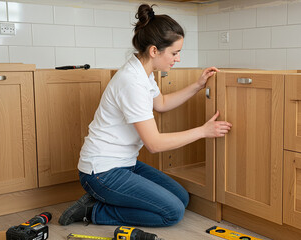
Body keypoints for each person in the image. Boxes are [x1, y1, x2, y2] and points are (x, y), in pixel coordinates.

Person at [58, 4, 232, 227]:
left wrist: (198, 85)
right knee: (172, 212)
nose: (177, 59)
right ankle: (93, 210)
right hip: (101, 172)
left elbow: (161, 103)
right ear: (154, 51)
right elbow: (155, 143)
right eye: (175, 53)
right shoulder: (132, 82)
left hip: (123, 164)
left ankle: (106, 201)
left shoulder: (143, 72)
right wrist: (203, 131)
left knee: (182, 197)